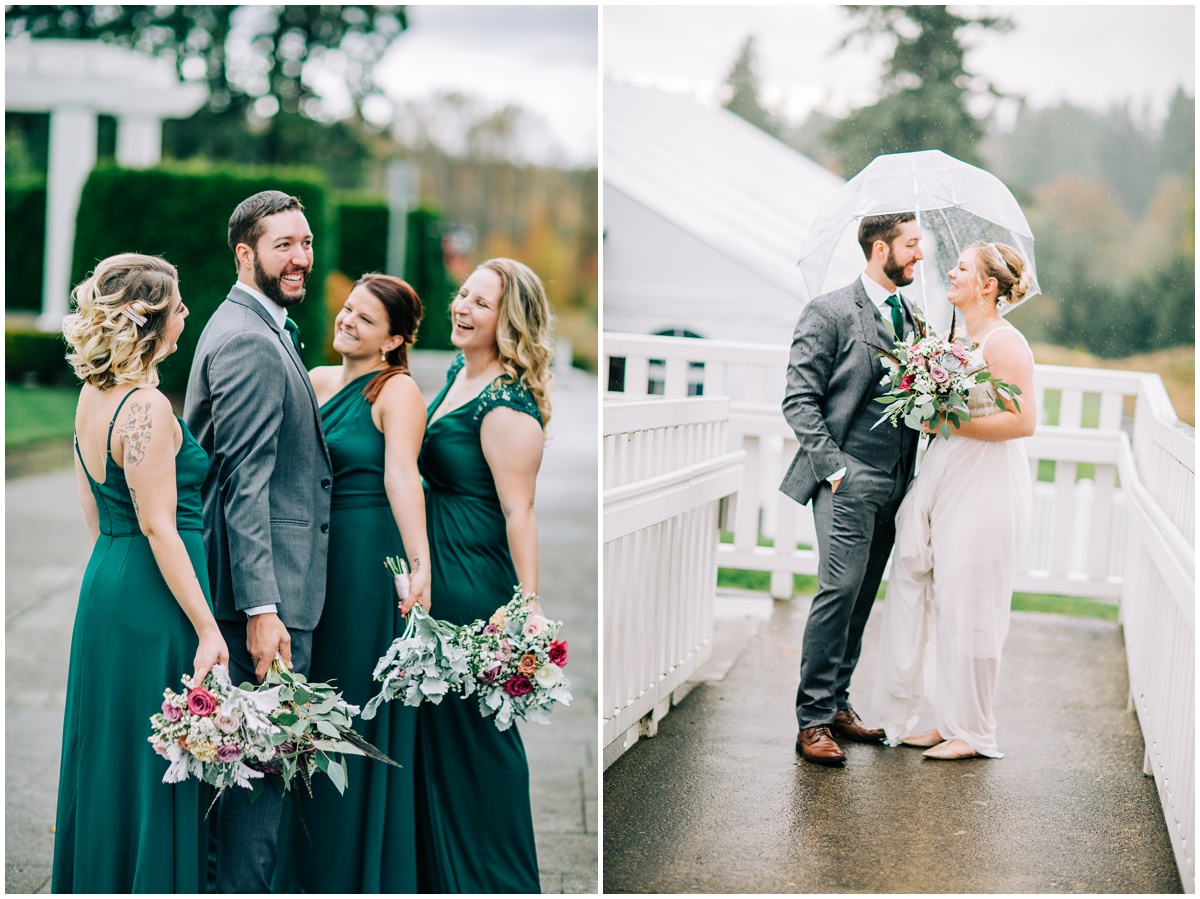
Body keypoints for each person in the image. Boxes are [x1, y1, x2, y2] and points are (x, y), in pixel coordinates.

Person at [53, 253, 229, 892]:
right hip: (157, 596)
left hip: (108, 581)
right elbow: (159, 526)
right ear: (149, 321)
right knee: (153, 757)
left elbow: (95, 509)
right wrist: (208, 628)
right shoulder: (147, 408)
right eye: (178, 307)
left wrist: (118, 573)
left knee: (110, 752)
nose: (186, 315)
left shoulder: (91, 395)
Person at [183, 190, 332, 892]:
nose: (301, 257)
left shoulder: (268, 325)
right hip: (260, 600)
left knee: (258, 775)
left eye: (305, 242)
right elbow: (243, 484)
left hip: (266, 590)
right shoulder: (246, 335)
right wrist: (264, 609)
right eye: (284, 245)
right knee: (255, 782)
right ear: (245, 254)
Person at [273, 273, 431, 892]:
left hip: (369, 562)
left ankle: (355, 868)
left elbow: (402, 480)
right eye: (346, 309)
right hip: (314, 556)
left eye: (366, 319)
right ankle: (305, 866)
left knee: (356, 702)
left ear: (393, 340)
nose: (347, 322)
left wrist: (419, 569)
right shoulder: (314, 380)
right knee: (312, 701)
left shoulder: (398, 391)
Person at [415, 258, 553, 892]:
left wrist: (525, 607)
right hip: (437, 567)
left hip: (472, 581)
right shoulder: (457, 375)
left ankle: (502, 880)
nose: (462, 308)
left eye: (480, 303)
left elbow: (519, 511)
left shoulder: (505, 404)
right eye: (462, 295)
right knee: (441, 740)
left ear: (509, 320)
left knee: (480, 739)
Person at [870, 241, 1036, 760]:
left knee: (974, 605)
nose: (951, 271)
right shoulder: (956, 338)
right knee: (945, 601)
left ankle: (976, 731)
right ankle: (947, 722)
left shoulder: (1006, 344)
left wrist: (948, 419)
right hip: (947, 479)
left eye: (962, 268)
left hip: (984, 489)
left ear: (988, 285)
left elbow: (1022, 422)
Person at [780, 212, 923, 767]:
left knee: (863, 596)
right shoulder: (830, 310)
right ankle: (812, 720)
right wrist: (836, 470)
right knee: (838, 590)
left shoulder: (914, 317)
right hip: (847, 477)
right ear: (880, 247)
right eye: (911, 246)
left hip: (895, 480)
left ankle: (838, 703)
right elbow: (799, 400)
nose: (918, 256)